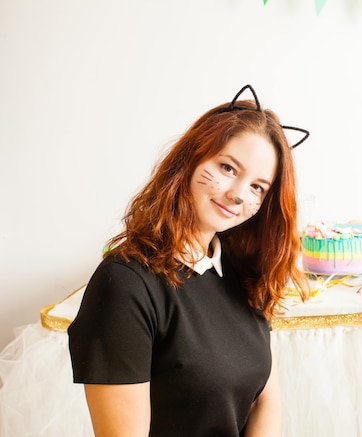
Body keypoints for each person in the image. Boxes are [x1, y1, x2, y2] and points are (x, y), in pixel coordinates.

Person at [68, 84, 310, 437]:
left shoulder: (243, 273)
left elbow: (265, 400)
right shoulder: (124, 285)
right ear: (190, 158)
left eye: (258, 187)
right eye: (228, 168)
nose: (239, 194)